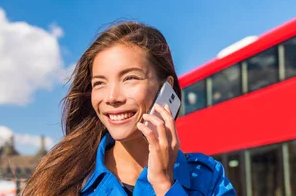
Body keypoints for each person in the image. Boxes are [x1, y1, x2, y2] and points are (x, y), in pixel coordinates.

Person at [22, 21, 237, 196]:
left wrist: (164, 185)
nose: (112, 97)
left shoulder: (208, 178)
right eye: (99, 83)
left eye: (130, 78)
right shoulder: (61, 182)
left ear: (167, 88)